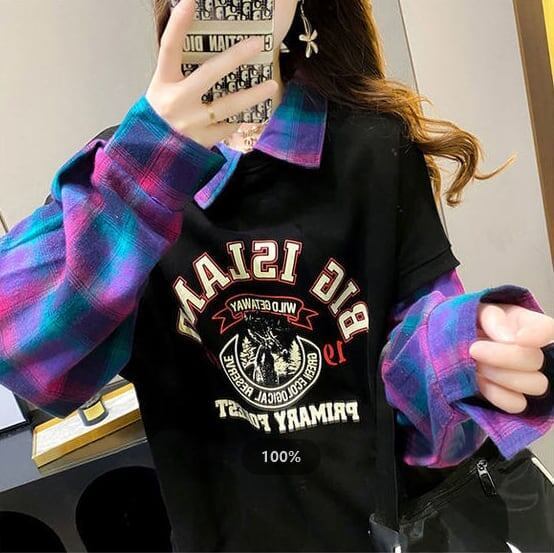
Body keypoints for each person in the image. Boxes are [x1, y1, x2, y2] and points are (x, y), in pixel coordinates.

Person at [0, 0, 552, 551]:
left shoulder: (374, 146)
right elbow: (23, 349)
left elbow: (416, 360)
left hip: (375, 530)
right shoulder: (125, 175)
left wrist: (463, 351)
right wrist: (153, 157)